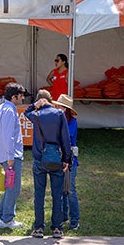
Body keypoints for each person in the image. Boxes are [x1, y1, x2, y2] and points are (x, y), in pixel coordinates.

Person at [25, 89, 72, 239]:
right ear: (51, 100)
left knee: (39, 194)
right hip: (56, 158)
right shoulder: (59, 114)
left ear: (39, 101)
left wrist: (34, 105)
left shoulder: (36, 115)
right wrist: (66, 159)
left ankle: (38, 228)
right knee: (57, 195)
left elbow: (26, 112)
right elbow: (65, 139)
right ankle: (57, 228)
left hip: (39, 159)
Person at [0, 83, 28, 229]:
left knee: (10, 186)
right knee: (14, 188)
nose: (23, 98)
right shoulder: (9, 111)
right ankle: (7, 219)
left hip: (4, 154)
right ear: (14, 97)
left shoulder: (1, 108)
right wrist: (11, 156)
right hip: (10, 156)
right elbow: (8, 136)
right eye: (21, 96)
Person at [53, 94, 80, 230]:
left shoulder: (71, 123)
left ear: (66, 109)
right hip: (58, 158)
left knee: (70, 190)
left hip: (69, 161)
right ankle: (64, 217)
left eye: (60, 106)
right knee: (61, 190)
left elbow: (66, 138)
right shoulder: (59, 121)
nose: (57, 108)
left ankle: (75, 219)